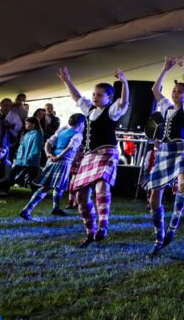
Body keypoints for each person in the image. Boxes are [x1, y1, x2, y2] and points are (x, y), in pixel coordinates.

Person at [58, 66, 129, 247]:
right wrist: (67, 80)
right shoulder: (89, 110)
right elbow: (76, 97)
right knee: (81, 196)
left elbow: (123, 103)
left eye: (98, 95)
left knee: (101, 186)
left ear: (109, 97)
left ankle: (103, 224)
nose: (94, 97)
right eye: (94, 94)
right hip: (89, 156)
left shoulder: (112, 111)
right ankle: (90, 232)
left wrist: (124, 83)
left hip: (107, 153)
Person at [145, 57, 184, 258]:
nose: (176, 93)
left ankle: (173, 225)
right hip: (165, 151)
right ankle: (159, 236)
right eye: (174, 91)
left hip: (180, 148)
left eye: (180, 91)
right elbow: (154, 90)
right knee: (153, 197)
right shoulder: (166, 107)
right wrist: (164, 68)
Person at [19, 114, 86, 219]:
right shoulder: (78, 135)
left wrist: (49, 154)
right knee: (52, 187)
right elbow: (69, 148)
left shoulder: (62, 130)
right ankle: (28, 210)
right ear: (81, 123)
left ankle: (54, 208)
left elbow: (48, 143)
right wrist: (58, 157)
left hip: (51, 160)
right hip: (63, 162)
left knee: (53, 186)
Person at [10, 117, 44, 189]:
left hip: (30, 159)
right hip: (22, 158)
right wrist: (19, 155)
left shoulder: (37, 134)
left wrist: (31, 157)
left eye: (27, 123)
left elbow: (36, 147)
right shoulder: (27, 134)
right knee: (31, 175)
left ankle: (34, 190)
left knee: (32, 175)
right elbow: (22, 146)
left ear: (34, 124)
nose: (25, 125)